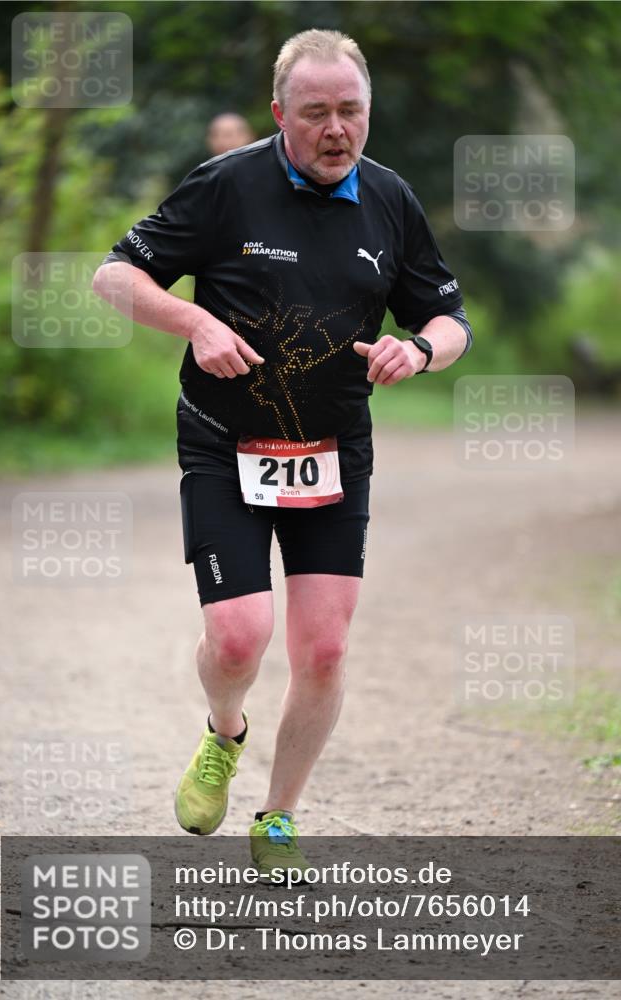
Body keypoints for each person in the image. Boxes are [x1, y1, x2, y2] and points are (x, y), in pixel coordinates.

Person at [93, 28, 472, 878]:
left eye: (350, 111)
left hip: (334, 450)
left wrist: (419, 349)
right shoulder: (227, 186)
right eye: (315, 114)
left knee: (324, 649)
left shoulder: (389, 199)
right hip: (225, 443)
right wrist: (193, 322)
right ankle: (224, 733)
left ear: (367, 111)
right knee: (236, 637)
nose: (336, 129)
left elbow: (450, 317)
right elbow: (115, 276)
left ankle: (279, 816)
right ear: (279, 114)